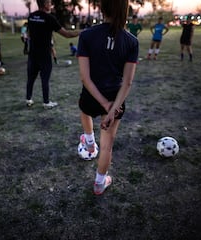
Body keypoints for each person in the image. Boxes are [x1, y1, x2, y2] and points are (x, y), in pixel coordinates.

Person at [77, 0, 138, 195]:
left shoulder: (87, 35)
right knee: (107, 146)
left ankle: (88, 140)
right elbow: (127, 82)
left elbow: (85, 78)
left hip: (91, 95)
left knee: (84, 110)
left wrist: (103, 104)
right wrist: (111, 109)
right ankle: (99, 183)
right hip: (115, 100)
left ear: (102, 9)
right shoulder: (131, 41)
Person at [26, 0, 79, 109]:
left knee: (31, 78)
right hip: (44, 54)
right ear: (45, 4)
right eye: (49, 2)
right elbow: (67, 34)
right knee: (45, 78)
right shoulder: (49, 18)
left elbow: (29, 34)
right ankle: (46, 102)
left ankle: (28, 99)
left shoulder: (31, 16)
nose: (51, 4)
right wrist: (84, 31)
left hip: (33, 53)